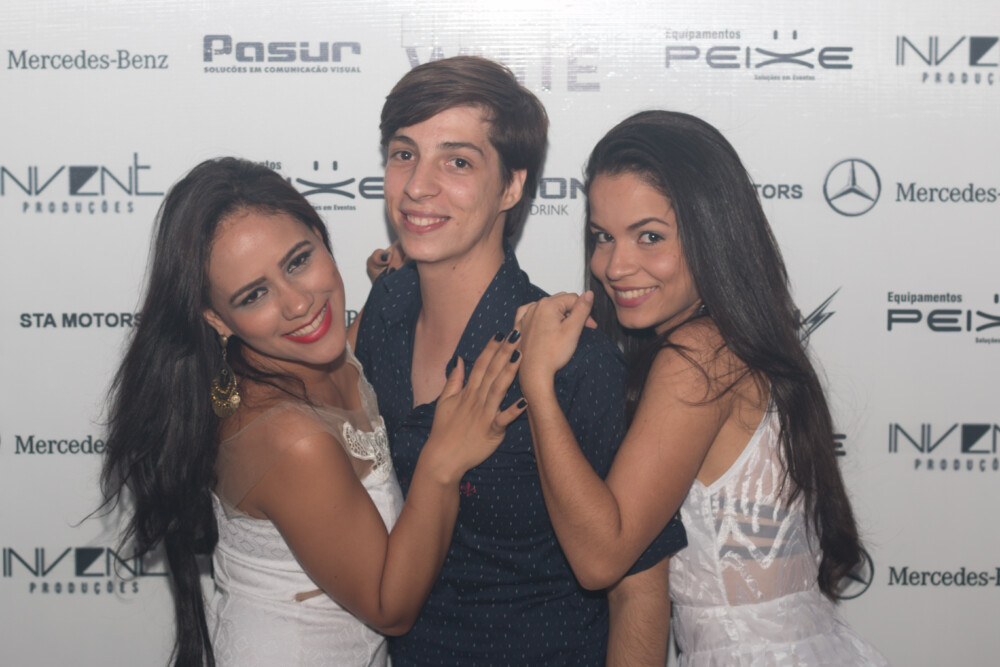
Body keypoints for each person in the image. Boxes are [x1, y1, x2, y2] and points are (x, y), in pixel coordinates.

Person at [100, 157, 526, 666]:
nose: (298, 304)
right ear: (217, 319)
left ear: (322, 238)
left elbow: (350, 353)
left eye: (298, 261)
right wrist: (443, 462)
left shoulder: (313, 356)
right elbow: (390, 610)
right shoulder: (291, 439)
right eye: (254, 295)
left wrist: (407, 279)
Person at [515, 110, 888, 665]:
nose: (615, 265)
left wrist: (537, 382)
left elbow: (599, 558)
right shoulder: (733, 344)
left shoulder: (699, 356)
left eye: (649, 237)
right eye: (603, 237)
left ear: (712, 232)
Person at [353, 57, 686, 666]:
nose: (418, 185)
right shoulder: (385, 310)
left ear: (511, 187)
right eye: (404, 154)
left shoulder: (572, 359)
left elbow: (638, 589)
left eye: (457, 162)